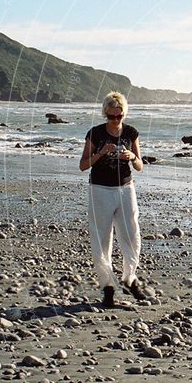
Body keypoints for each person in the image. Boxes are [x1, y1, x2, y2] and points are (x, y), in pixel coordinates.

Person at [79, 92, 144, 307]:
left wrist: (132, 157)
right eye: (111, 116)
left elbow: (139, 165)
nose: (116, 121)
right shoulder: (95, 133)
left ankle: (129, 278)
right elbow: (83, 165)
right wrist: (100, 152)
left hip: (126, 189)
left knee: (132, 236)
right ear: (105, 114)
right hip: (100, 190)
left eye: (119, 116)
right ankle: (107, 287)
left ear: (124, 113)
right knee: (101, 239)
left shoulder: (131, 132)